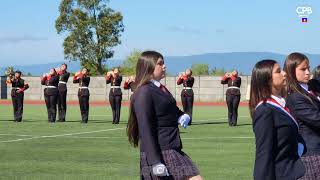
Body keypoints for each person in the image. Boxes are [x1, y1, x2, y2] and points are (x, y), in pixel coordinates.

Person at [127, 51, 202, 180]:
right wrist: (155, 162)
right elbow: (145, 129)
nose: (164, 66)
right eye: (160, 64)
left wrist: (180, 116)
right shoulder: (144, 92)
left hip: (171, 148)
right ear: (148, 66)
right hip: (160, 152)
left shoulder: (159, 88)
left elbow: (169, 109)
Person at [250, 59, 305, 180]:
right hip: (280, 174)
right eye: (278, 71)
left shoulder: (282, 104)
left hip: (293, 172)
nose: (284, 73)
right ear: (267, 79)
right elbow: (264, 154)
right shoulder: (265, 110)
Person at [284, 52, 320, 180]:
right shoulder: (295, 96)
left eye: (308, 68)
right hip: (311, 154)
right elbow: (317, 120)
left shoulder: (310, 88)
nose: (307, 72)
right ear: (291, 70)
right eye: (303, 69)